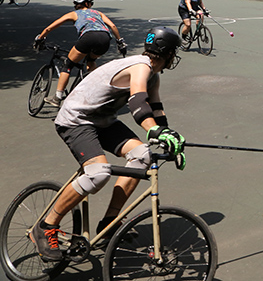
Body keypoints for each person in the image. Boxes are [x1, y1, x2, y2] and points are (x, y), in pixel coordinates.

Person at [29, 27, 186, 262]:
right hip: (76, 120)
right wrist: (153, 130)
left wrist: (168, 136)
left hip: (102, 121)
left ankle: (110, 222)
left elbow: (156, 108)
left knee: (143, 155)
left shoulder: (153, 75)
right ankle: (45, 226)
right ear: (168, 53)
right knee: (98, 173)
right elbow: (138, 103)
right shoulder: (140, 67)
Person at [34, 0, 125, 107]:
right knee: (91, 61)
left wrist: (40, 38)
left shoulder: (73, 14)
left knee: (68, 64)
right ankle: (98, 91)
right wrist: (120, 42)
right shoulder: (97, 13)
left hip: (88, 37)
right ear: (87, 4)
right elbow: (112, 25)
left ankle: (57, 97)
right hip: (105, 38)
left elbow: (49, 28)